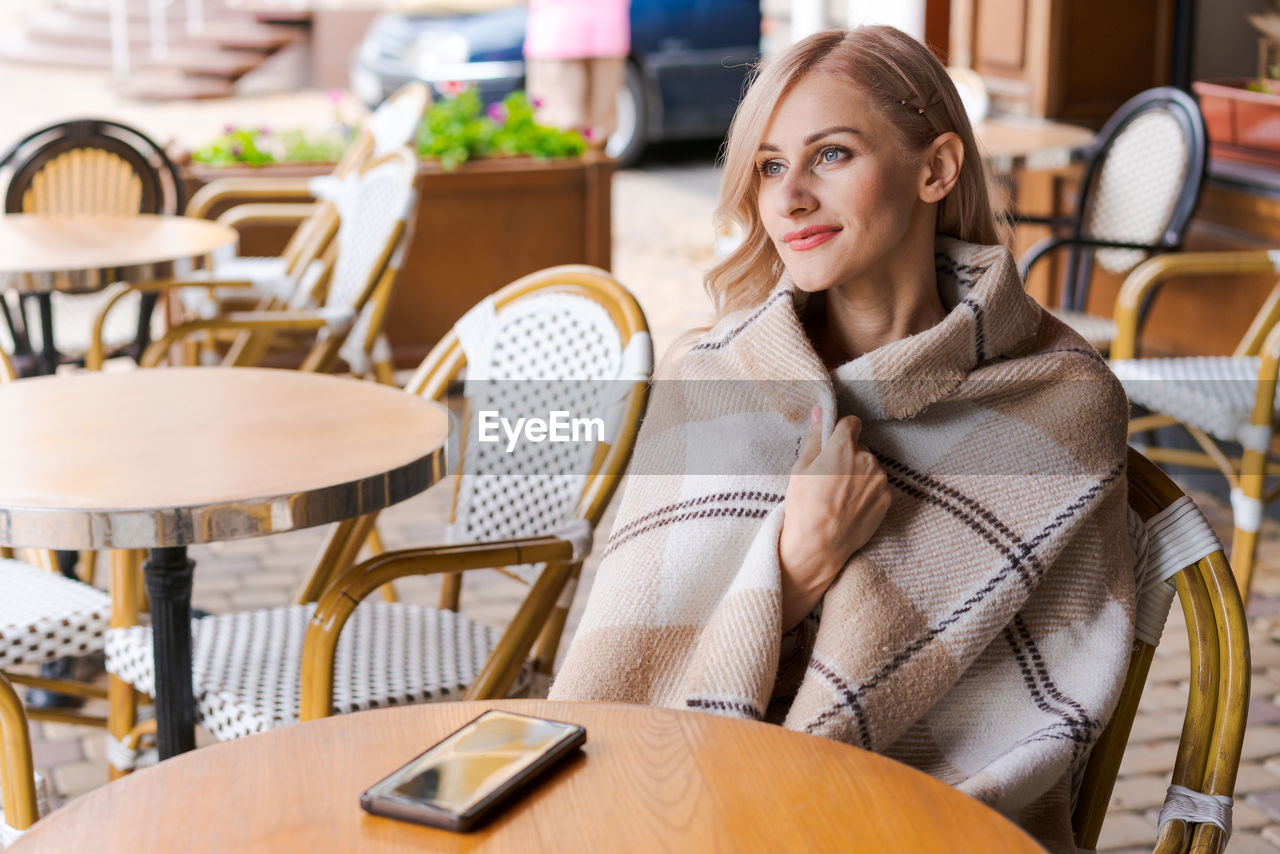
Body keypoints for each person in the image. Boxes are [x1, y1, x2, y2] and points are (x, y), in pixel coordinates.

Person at [548, 26, 1135, 854]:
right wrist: (793, 569)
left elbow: (1031, 721)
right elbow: (624, 678)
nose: (788, 201)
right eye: (770, 166)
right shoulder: (712, 378)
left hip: (917, 826)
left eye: (830, 156)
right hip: (680, 803)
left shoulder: (1062, 401)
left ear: (935, 169)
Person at [523, 0, 630, 150]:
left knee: (560, 125)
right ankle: (590, 169)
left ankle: (579, 169)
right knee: (597, 129)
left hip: (559, 30)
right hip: (603, 27)